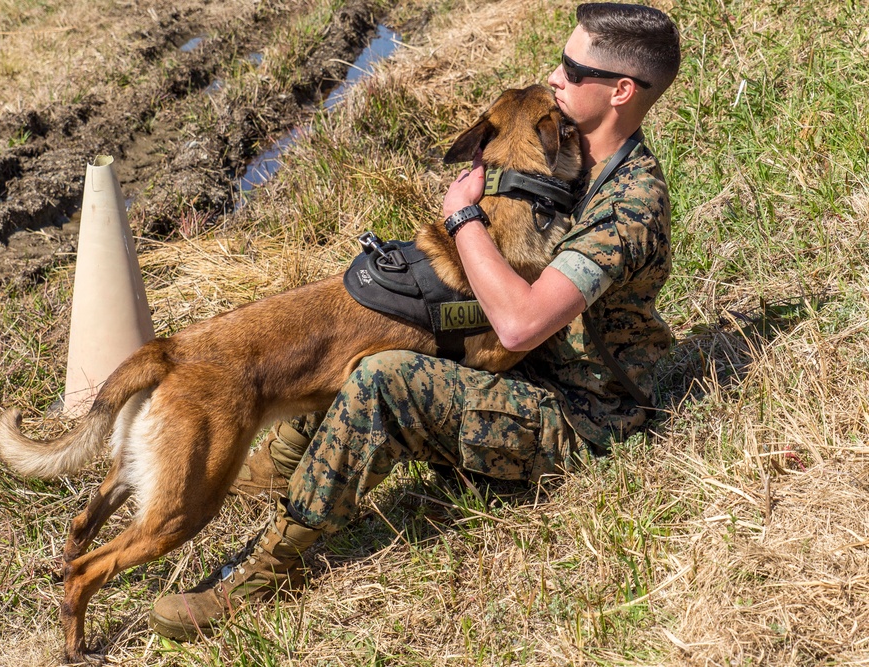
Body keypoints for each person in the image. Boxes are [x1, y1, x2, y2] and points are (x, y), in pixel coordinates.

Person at [148, 2, 680, 640]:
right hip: (516, 371)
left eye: (572, 68)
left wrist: (464, 219)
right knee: (378, 318)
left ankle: (271, 566)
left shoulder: (630, 204)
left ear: (621, 91)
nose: (555, 76)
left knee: (383, 378)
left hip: (580, 415)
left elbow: (516, 326)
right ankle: (282, 465)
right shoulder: (561, 154)